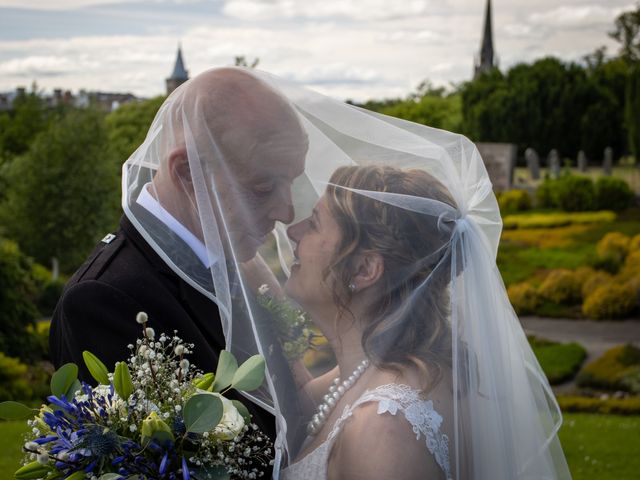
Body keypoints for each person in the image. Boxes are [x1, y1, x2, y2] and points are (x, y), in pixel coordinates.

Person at [215, 71, 571, 478]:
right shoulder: (379, 366)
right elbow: (295, 389)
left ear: (364, 269)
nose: (292, 230)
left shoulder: (386, 428)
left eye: (314, 224)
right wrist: (232, 241)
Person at [49, 68, 309, 446]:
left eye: (292, 183)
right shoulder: (103, 302)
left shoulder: (238, 266)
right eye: (263, 186)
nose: (287, 212)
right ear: (187, 173)